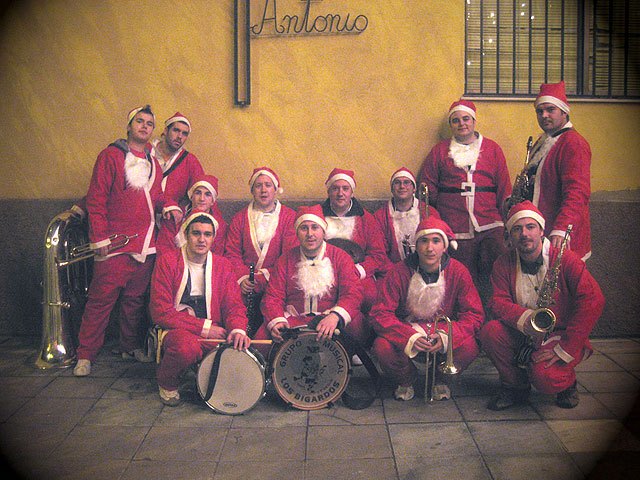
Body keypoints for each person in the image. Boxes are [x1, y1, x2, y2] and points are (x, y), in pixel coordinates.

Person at [479, 201, 604, 410]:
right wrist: (526, 318)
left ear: (541, 230)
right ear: (510, 235)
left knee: (545, 378)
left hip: (561, 334)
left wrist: (564, 348)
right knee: (490, 332)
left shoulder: (566, 260)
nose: (524, 234)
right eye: (517, 229)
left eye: (530, 227)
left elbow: (593, 299)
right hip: (525, 330)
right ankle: (516, 386)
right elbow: (497, 302)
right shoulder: (503, 263)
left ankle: (567, 384)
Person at [73, 105, 163, 376]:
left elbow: (155, 198)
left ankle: (129, 345)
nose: (145, 126)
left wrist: (170, 207)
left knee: (135, 300)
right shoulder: (110, 156)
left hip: (146, 244)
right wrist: (99, 237)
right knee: (100, 301)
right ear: (129, 126)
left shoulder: (154, 163)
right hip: (113, 243)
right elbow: (96, 197)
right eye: (140, 121)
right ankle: (85, 354)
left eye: (149, 123)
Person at [369, 217, 484, 401]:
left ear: (444, 246)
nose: (429, 248)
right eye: (424, 241)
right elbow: (380, 313)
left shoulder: (458, 271)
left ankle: (440, 379)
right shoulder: (399, 271)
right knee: (382, 346)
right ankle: (406, 379)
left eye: (436, 241)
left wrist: (447, 336)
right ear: (416, 244)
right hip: (408, 331)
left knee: (470, 346)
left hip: (442, 332)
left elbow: (474, 314)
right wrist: (409, 336)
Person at [149, 210, 250, 406]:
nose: (202, 239)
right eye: (196, 233)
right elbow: (160, 311)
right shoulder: (167, 262)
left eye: (207, 234)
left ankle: (198, 373)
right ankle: (167, 381)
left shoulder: (223, 265)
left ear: (213, 238)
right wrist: (205, 328)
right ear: (186, 235)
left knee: (238, 350)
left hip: (214, 329)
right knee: (187, 348)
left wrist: (238, 329)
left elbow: (234, 306)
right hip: (177, 328)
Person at [418, 99, 511, 305]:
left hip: (490, 226)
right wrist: (437, 225)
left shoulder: (493, 149)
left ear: (474, 121)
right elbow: (426, 192)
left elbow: (504, 188)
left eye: (466, 119)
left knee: (497, 278)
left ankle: (494, 322)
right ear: (451, 125)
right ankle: (466, 325)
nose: (462, 124)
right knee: (462, 281)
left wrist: (507, 223)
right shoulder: (439, 152)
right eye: (456, 121)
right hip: (455, 229)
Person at [254, 205, 366, 355]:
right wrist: (277, 320)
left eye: (315, 228)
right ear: (297, 233)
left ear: (323, 231)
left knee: (358, 324)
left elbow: (353, 293)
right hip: (294, 320)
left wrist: (335, 316)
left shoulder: (341, 257)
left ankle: (347, 357)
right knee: (261, 339)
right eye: (304, 228)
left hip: (329, 318)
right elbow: (273, 297)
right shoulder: (285, 259)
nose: (310, 234)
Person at [507, 81, 592, 261]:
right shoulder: (544, 141)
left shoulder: (573, 143)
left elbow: (577, 193)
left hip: (558, 234)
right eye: (540, 111)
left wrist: (562, 229)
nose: (544, 115)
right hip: (539, 232)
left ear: (564, 111)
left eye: (550, 110)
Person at [224, 167, 297, 335]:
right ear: (252, 191)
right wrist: (242, 278)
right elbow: (232, 253)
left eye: (268, 185)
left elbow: (289, 256)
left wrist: (265, 277)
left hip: (277, 281)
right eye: (258, 186)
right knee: (233, 303)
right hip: (246, 283)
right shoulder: (239, 218)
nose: (263, 190)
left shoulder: (289, 217)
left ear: (276, 189)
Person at [321, 168, 388, 314]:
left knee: (370, 298)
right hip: (322, 271)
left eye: (345, 189)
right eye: (335, 189)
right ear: (328, 192)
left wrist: (358, 270)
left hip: (357, 272)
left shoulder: (366, 219)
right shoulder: (317, 217)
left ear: (352, 192)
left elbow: (378, 255)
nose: (340, 193)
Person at [373, 167, 440, 267]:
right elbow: (379, 253)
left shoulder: (430, 212)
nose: (402, 186)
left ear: (414, 188)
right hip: (393, 270)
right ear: (392, 189)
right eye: (397, 183)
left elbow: (438, 245)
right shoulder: (380, 217)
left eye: (406, 182)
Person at [156, 174, 227, 255]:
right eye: (198, 193)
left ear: (212, 201)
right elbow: (164, 249)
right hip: (175, 264)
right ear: (191, 196)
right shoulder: (175, 217)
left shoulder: (220, 225)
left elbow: (217, 255)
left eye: (207, 194)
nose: (202, 199)